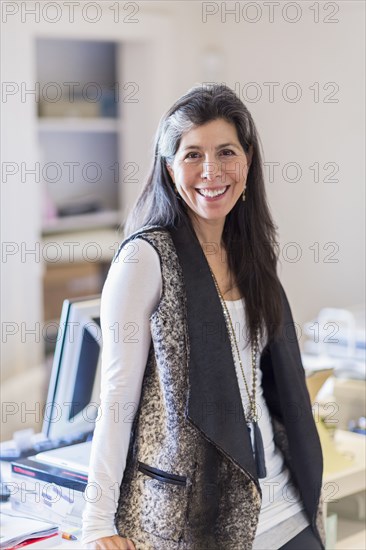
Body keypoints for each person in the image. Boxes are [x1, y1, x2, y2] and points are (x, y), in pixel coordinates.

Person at [81, 83, 326, 549]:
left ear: (247, 162)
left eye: (225, 152)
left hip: (284, 508)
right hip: (195, 520)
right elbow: (117, 397)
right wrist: (98, 522)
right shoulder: (145, 259)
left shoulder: (252, 255)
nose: (211, 171)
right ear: (170, 168)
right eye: (192, 154)